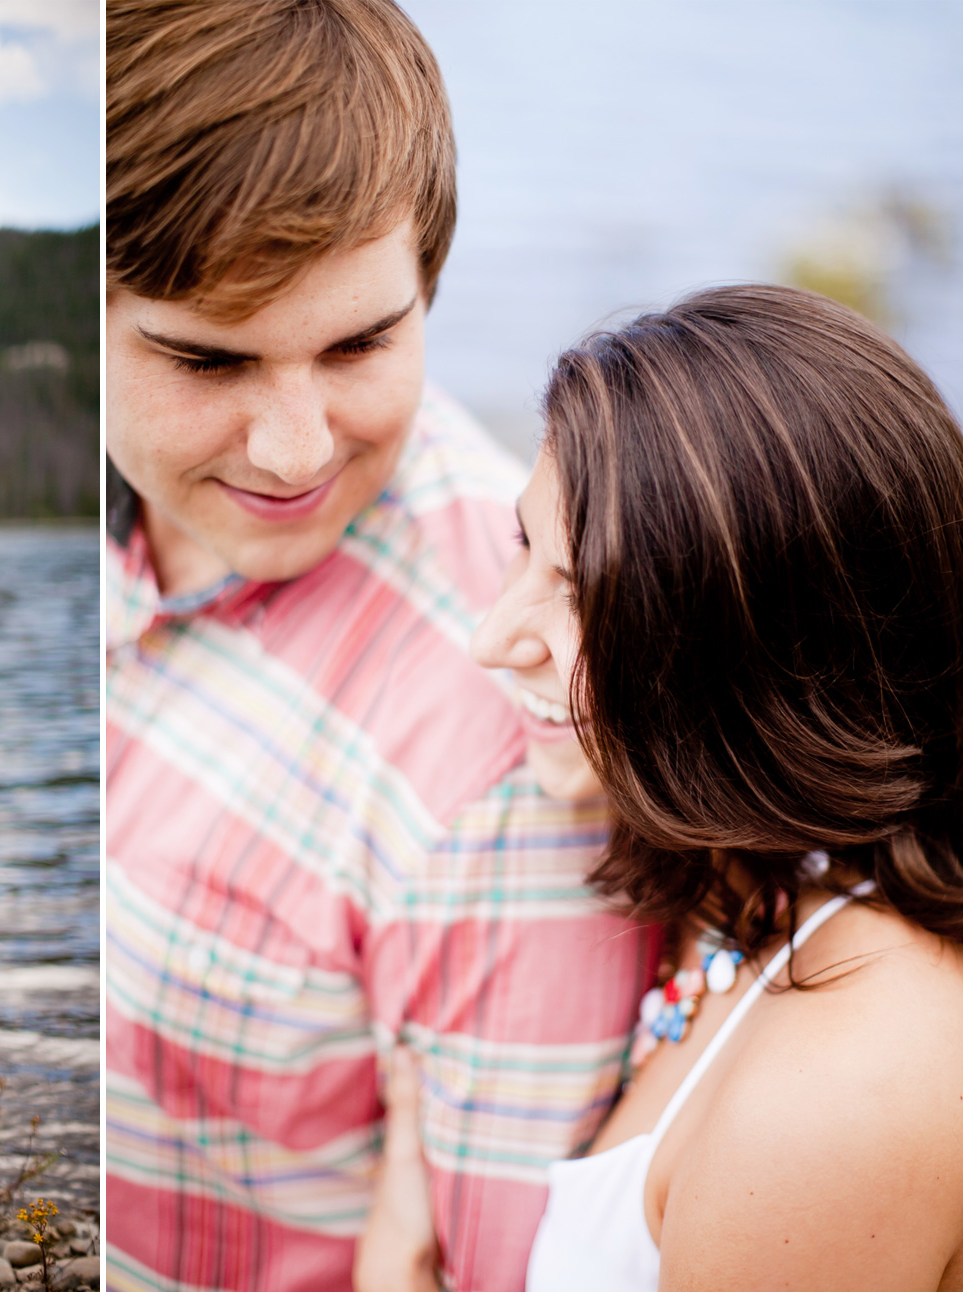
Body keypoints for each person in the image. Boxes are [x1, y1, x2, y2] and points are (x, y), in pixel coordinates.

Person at [104, 3, 657, 1289]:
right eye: (206, 358)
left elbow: (492, 1267)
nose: (297, 453)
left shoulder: (520, 739)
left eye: (360, 342)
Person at [377, 282, 963, 1290]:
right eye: (524, 545)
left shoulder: (839, 1100)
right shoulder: (751, 869)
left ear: (771, 661)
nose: (491, 640)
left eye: (589, 598)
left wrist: (390, 1269)